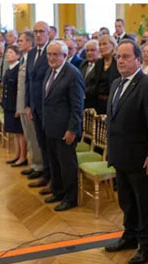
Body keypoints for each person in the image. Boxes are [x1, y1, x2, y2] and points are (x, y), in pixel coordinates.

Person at [104, 39, 148, 264]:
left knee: (144, 206)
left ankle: (146, 247)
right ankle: (129, 237)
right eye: (118, 56)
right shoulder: (116, 83)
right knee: (126, 202)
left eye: (126, 56)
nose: (120, 60)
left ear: (138, 59)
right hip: (120, 156)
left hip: (141, 159)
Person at [42, 40, 84, 211]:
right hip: (51, 127)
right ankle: (58, 191)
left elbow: (77, 105)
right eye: (49, 54)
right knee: (55, 163)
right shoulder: (50, 71)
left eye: (55, 55)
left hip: (66, 130)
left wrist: (72, 129)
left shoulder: (72, 74)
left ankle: (70, 198)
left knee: (67, 166)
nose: (51, 58)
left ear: (65, 56)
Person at [25, 21, 52, 193]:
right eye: (35, 32)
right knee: (41, 143)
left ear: (49, 33)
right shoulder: (32, 53)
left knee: (50, 145)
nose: (38, 35)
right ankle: (45, 172)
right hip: (34, 107)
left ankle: (52, 178)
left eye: (41, 31)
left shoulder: (52, 52)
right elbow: (29, 80)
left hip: (48, 108)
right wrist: (28, 104)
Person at [16, 31, 44, 180]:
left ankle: (39, 164)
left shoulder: (34, 57)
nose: (18, 43)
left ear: (29, 42)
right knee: (29, 136)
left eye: (21, 41)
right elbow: (25, 84)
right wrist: (24, 105)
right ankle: (34, 163)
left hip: (35, 105)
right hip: (26, 104)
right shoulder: (27, 57)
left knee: (34, 136)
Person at [1, 45, 26, 166]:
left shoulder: (19, 69)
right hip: (8, 105)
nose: (8, 55)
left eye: (11, 53)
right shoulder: (9, 69)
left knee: (20, 132)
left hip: (15, 105)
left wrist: (18, 107)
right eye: (7, 53)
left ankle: (23, 157)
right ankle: (17, 154)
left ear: (17, 55)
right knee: (14, 132)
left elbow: (19, 90)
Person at [92, 35, 119, 114]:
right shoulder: (99, 63)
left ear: (113, 45)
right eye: (100, 45)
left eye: (104, 44)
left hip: (113, 102)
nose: (101, 47)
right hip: (98, 103)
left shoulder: (117, 62)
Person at [81, 39, 100, 109]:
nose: (89, 53)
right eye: (87, 50)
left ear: (99, 51)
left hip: (94, 103)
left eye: (92, 50)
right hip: (83, 103)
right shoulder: (83, 64)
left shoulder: (101, 66)